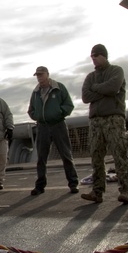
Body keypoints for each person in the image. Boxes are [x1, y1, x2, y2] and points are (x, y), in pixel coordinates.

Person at [80, 45, 128, 205]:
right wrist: (103, 91)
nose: (93, 58)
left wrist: (96, 89)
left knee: (119, 154)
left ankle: (125, 190)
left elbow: (113, 87)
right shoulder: (90, 76)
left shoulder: (117, 71)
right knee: (96, 157)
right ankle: (97, 191)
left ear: (104, 56)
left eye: (96, 55)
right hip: (96, 121)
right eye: (92, 56)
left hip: (114, 119)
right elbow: (85, 96)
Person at [27, 66, 79, 196]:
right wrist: (37, 117)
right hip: (42, 126)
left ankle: (73, 183)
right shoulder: (35, 92)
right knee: (41, 158)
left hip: (58, 125)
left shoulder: (59, 88)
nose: (39, 77)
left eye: (41, 74)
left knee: (66, 155)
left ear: (47, 74)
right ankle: (40, 186)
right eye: (37, 75)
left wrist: (59, 113)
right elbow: (31, 110)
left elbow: (69, 105)